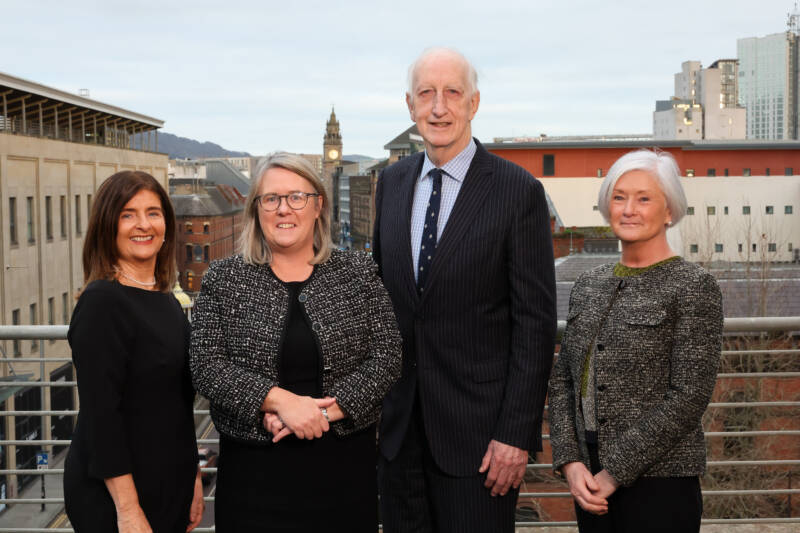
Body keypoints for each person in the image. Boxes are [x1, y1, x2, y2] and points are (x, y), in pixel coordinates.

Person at [373, 47, 557, 532]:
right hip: (398, 438)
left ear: (473, 103)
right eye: (426, 94)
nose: (439, 107)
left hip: (481, 445)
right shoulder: (390, 183)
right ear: (409, 105)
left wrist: (516, 436)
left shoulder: (517, 192)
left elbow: (535, 326)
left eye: (452, 93)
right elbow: (380, 301)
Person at [190, 152, 402, 532]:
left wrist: (321, 414)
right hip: (253, 478)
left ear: (318, 205)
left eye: (296, 197)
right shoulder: (224, 279)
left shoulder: (357, 273)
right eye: (271, 199)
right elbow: (207, 365)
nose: (283, 209)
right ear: (256, 209)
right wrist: (279, 402)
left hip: (343, 475)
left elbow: (387, 356)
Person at [548, 149, 723, 533]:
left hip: (661, 483)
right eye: (619, 196)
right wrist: (570, 461)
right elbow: (563, 380)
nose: (629, 209)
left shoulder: (694, 287)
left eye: (644, 198)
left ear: (668, 210)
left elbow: (689, 396)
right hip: (589, 482)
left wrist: (615, 472)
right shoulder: (588, 284)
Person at [65, 171, 203, 533]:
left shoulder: (165, 298)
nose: (143, 225)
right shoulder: (103, 303)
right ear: (107, 225)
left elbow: (174, 402)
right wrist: (127, 509)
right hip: (119, 498)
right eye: (128, 214)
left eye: (153, 212)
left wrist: (192, 477)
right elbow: (101, 417)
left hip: (167, 484)